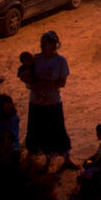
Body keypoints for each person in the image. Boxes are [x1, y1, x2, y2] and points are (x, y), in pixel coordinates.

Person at [22, 30, 79, 171]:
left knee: (58, 131)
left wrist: (43, 84)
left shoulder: (60, 61)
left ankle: (65, 159)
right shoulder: (35, 59)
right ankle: (31, 160)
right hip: (36, 102)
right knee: (35, 131)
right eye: (41, 43)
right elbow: (27, 76)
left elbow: (62, 82)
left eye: (45, 43)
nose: (41, 46)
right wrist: (28, 80)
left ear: (53, 45)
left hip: (53, 102)